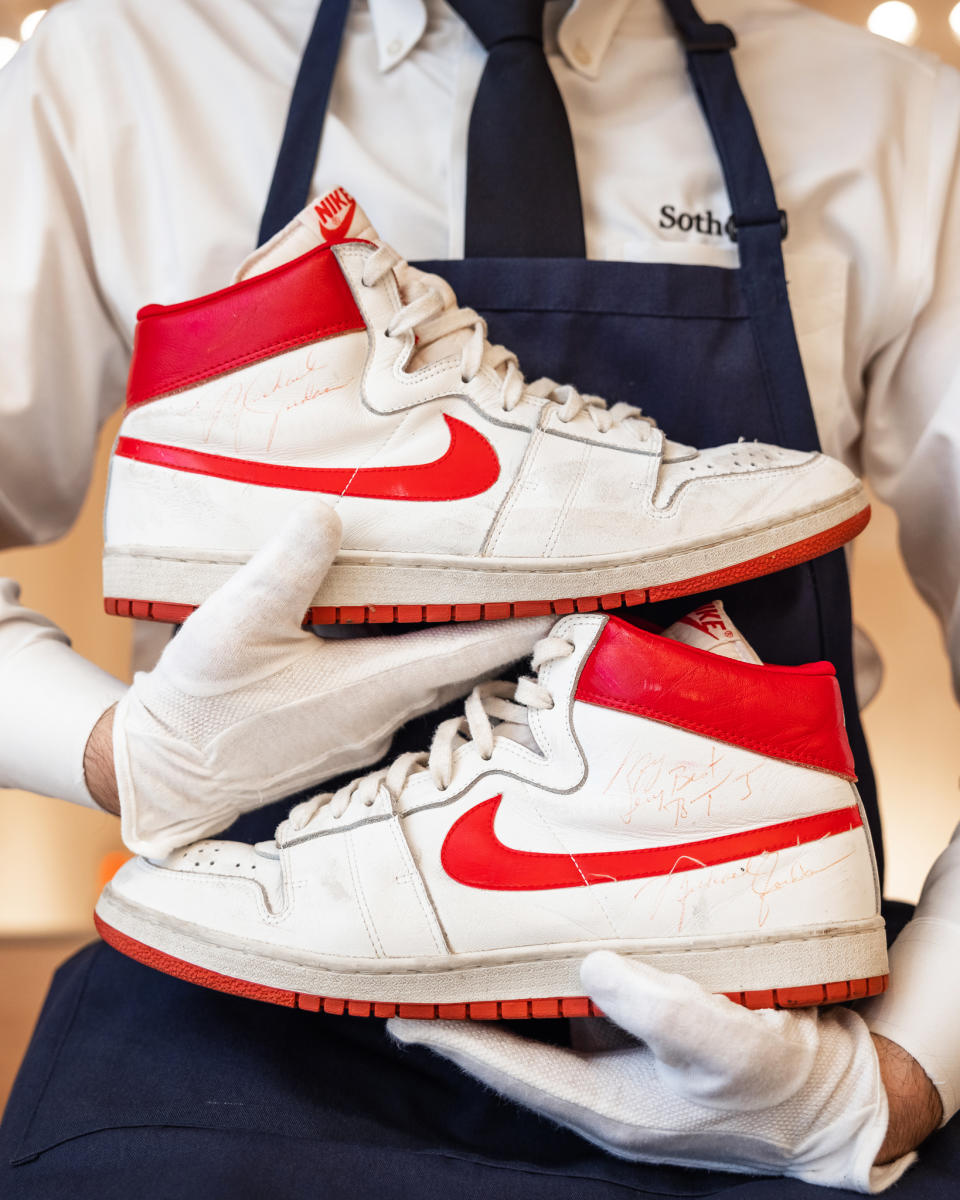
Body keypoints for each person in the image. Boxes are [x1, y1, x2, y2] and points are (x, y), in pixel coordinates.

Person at [0, 0, 958, 1194]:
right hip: (242, 991)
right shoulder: (110, 77)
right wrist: (119, 752)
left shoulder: (898, 121)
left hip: (764, 1023)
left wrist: (899, 1075)